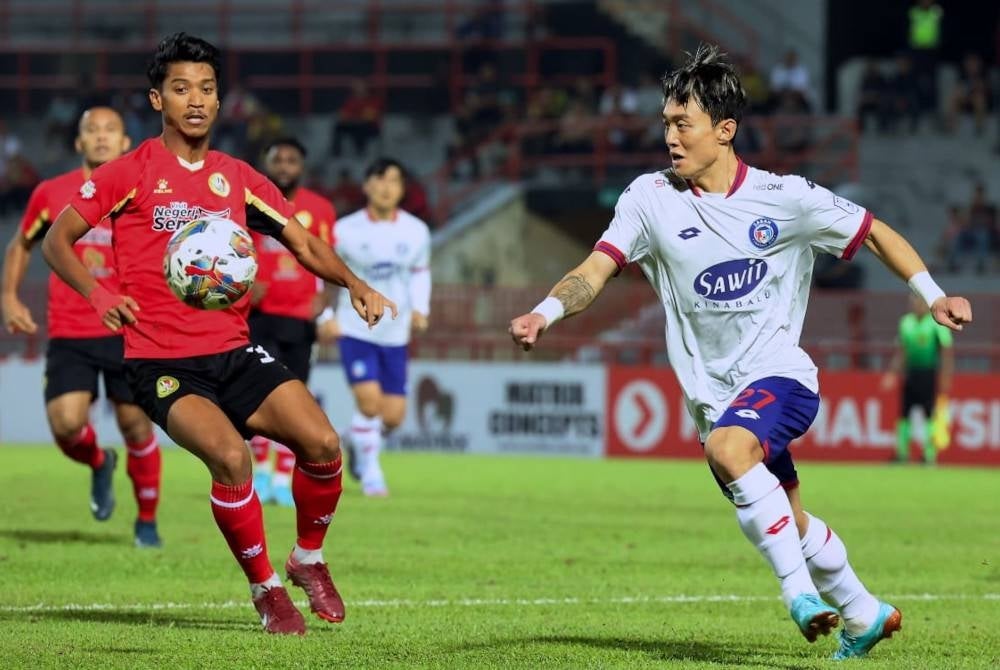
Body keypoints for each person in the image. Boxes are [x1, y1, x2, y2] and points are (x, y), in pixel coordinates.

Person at [509, 45, 972, 660]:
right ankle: (866, 612)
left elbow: (874, 231)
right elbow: (595, 270)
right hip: (713, 397)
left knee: (731, 449)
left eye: (683, 124)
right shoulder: (648, 198)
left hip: (781, 376)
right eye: (665, 124)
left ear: (724, 131)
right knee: (793, 521)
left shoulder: (788, 198)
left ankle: (800, 597)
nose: (669, 137)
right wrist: (545, 312)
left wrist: (932, 294)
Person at [41, 33, 396, 635]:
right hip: (159, 361)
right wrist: (100, 294)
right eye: (181, 89)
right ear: (158, 99)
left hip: (233, 348)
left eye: (206, 89)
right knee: (232, 459)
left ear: (219, 99)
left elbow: (303, 241)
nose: (196, 99)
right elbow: (57, 241)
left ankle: (307, 560)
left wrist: (354, 284)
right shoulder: (127, 173)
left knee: (324, 446)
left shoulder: (238, 179)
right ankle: (266, 590)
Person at [1, 107, 163, 548]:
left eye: (111, 130)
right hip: (71, 331)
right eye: (92, 130)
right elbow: (22, 244)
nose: (101, 137)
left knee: (136, 426)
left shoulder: (144, 191)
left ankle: (146, 522)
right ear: (78, 143)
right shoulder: (52, 193)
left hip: (128, 329)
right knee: (66, 425)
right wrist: (9, 296)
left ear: (126, 141)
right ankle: (98, 461)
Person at [317, 158, 430, 497]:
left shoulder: (416, 231)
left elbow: (420, 272)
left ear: (402, 189)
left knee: (393, 416)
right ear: (366, 186)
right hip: (356, 327)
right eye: (379, 180)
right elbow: (320, 270)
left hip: (396, 333)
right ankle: (371, 473)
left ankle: (356, 441)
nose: (386, 187)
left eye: (394, 181)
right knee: (369, 403)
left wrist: (421, 309)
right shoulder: (345, 229)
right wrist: (325, 317)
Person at [248, 137, 337, 507]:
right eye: (277, 159)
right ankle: (261, 471)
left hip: (300, 317)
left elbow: (326, 255)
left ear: (302, 166)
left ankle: (284, 474)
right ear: (266, 163)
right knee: (256, 395)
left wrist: (327, 302)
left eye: (291, 160)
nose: (284, 165)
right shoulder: (249, 201)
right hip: (259, 313)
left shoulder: (319, 209)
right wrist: (244, 286)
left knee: (296, 394)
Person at [881, 294, 953, 464]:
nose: (916, 305)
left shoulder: (937, 322)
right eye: (914, 301)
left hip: (928, 373)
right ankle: (902, 453)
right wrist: (892, 373)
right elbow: (902, 351)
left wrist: (945, 376)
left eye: (920, 302)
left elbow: (946, 351)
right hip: (910, 373)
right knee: (904, 413)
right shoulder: (906, 322)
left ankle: (928, 454)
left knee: (929, 413)